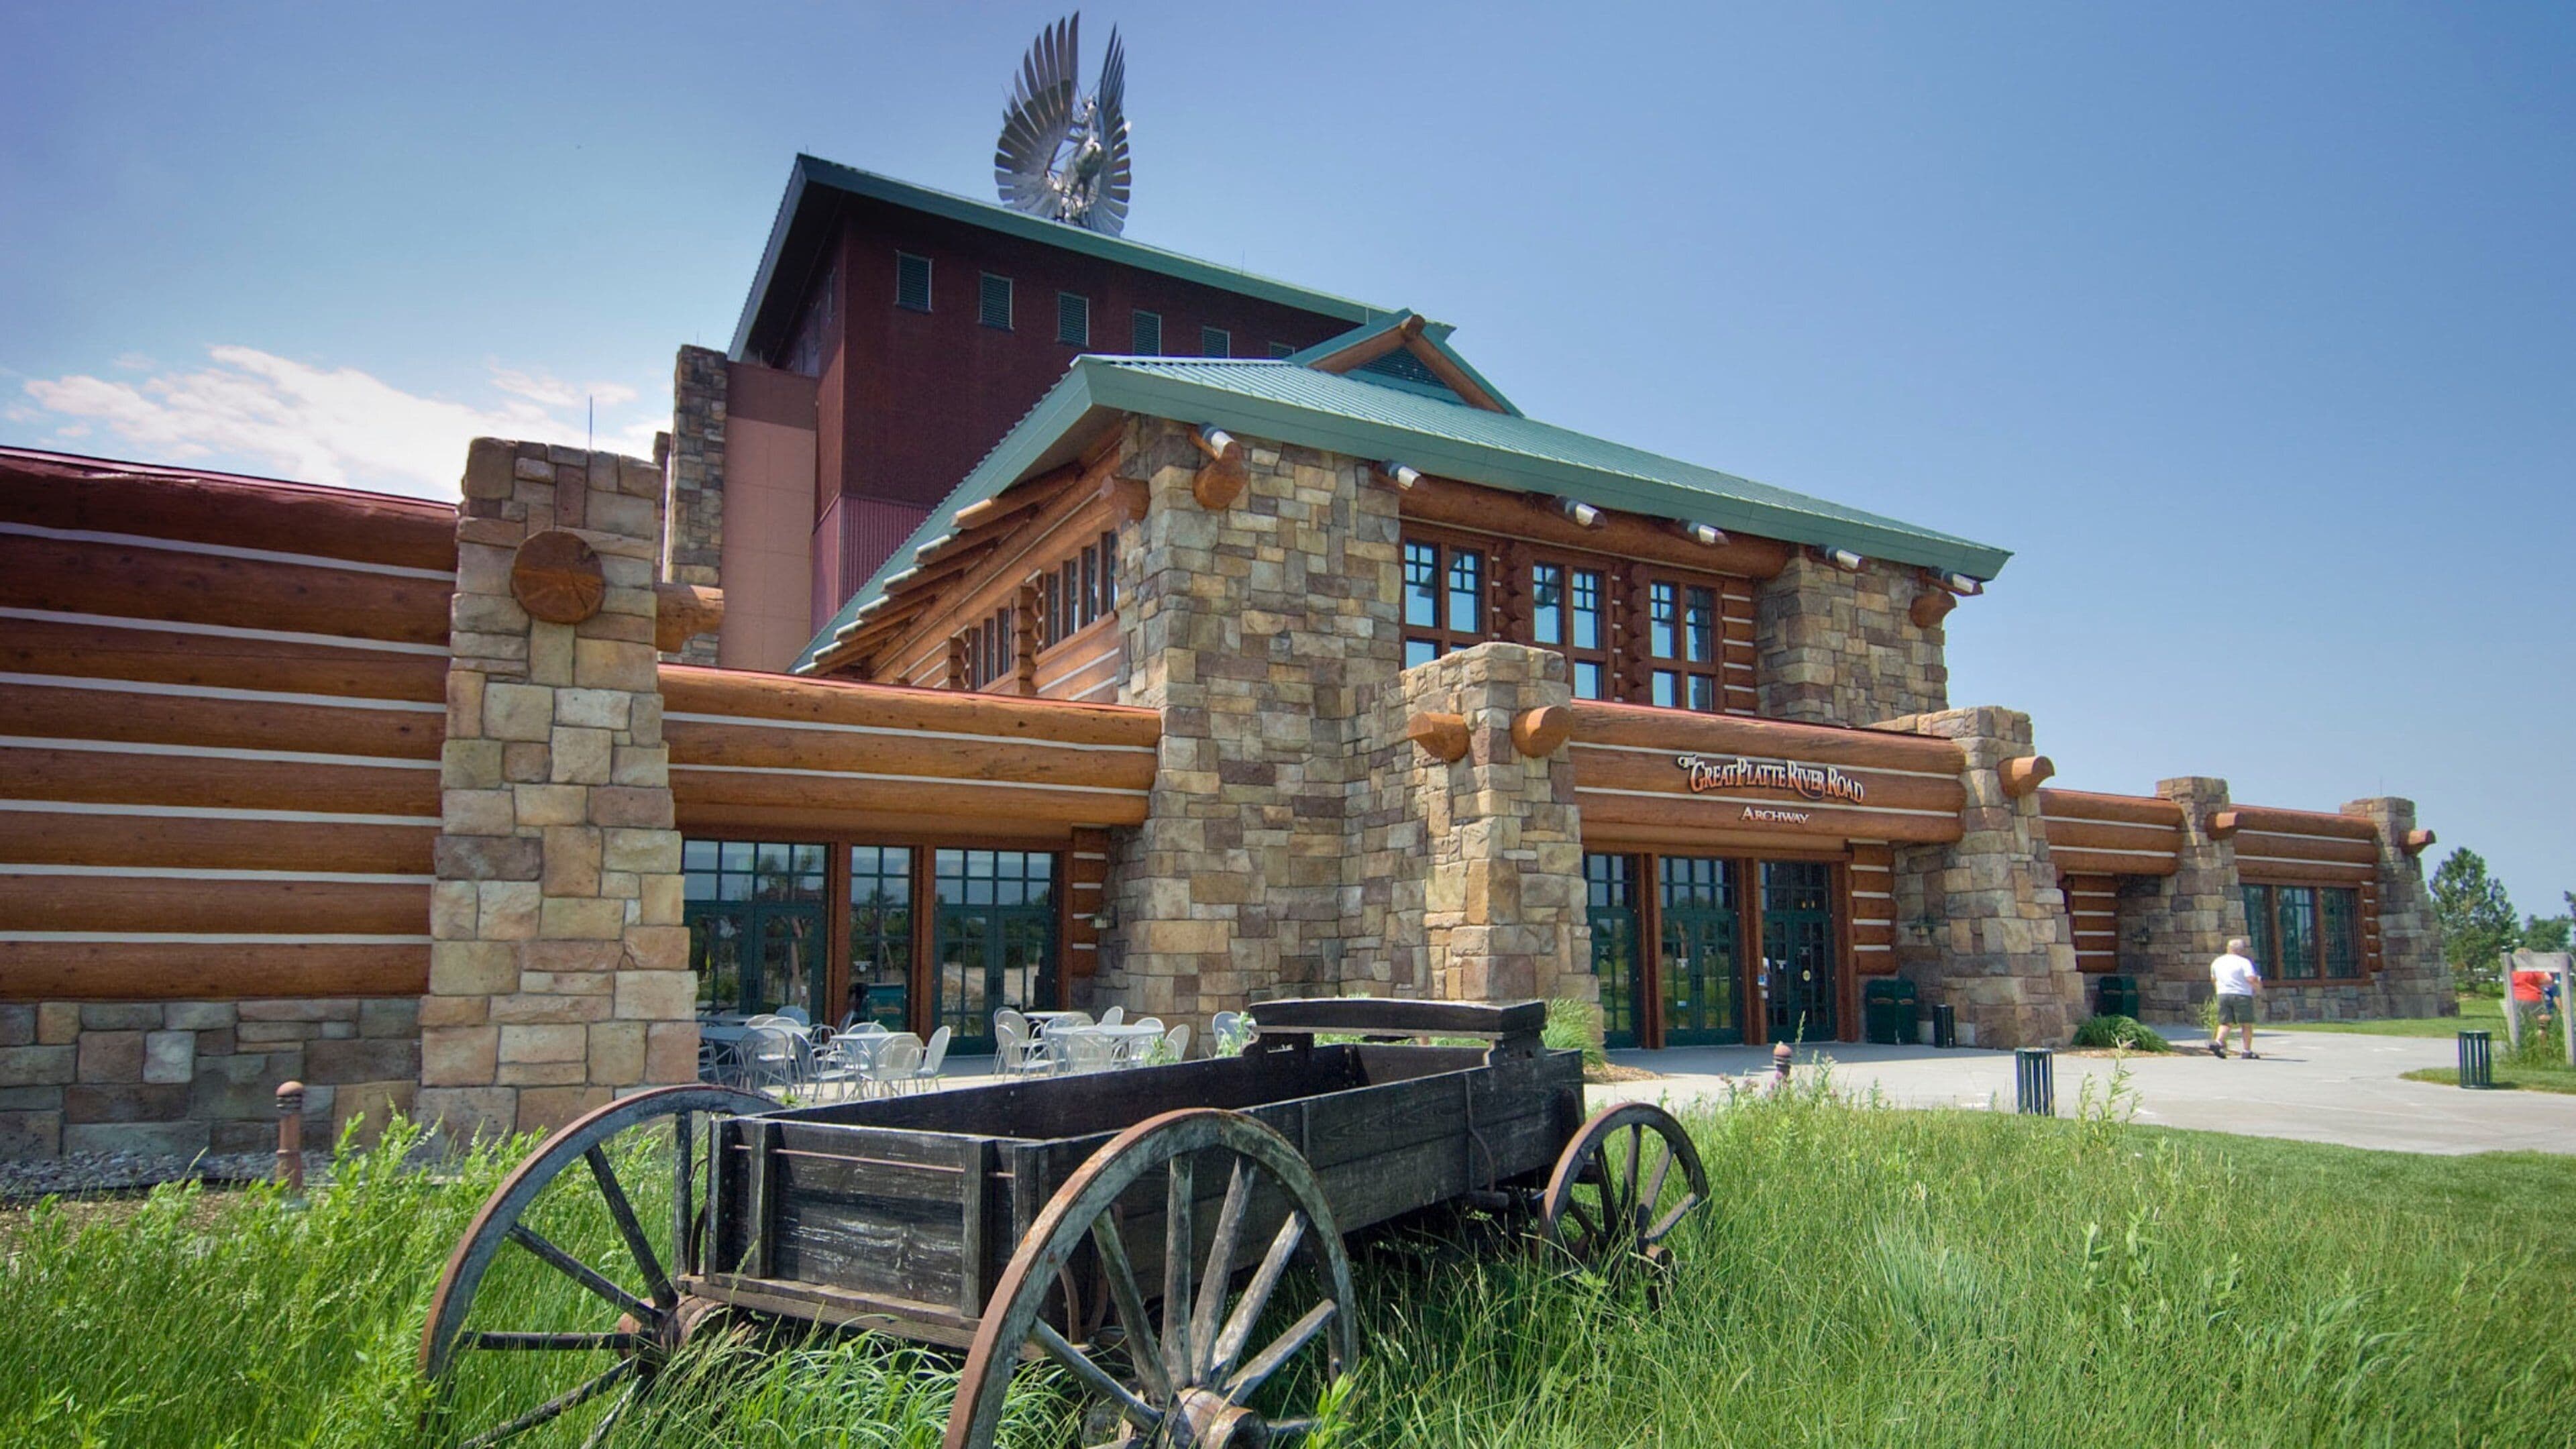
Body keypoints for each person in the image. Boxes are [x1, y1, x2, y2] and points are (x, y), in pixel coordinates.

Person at [2208, 936, 2261, 1059]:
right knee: (2246, 1024)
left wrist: (2219, 989)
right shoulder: (2244, 962)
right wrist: (2258, 988)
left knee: (2225, 1022)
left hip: (2223, 994)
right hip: (2241, 995)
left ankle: (2218, 1042)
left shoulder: (2217, 962)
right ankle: (2247, 1051)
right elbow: (2251, 979)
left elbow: (2213, 979)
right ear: (2241, 950)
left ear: (2228, 948)